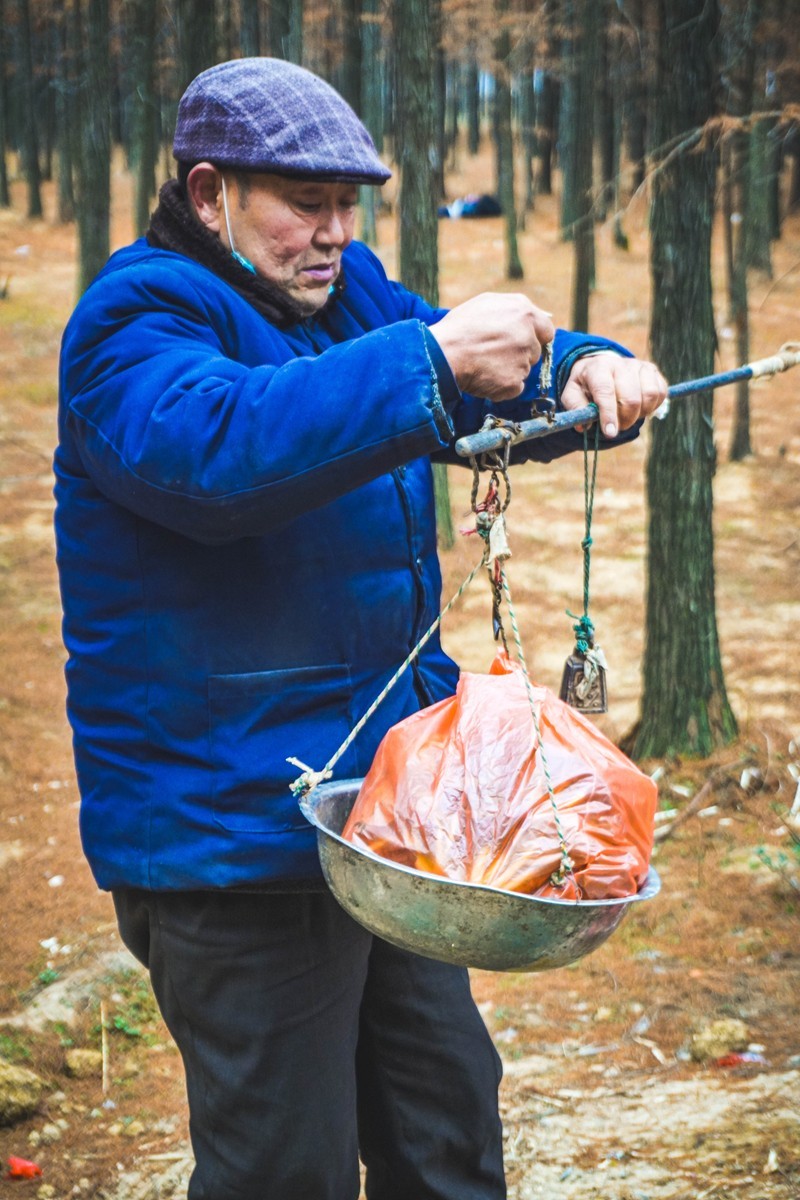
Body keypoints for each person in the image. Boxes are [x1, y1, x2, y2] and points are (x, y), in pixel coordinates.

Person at [54, 57, 666, 1200]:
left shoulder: (344, 295)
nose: (334, 234)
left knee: (445, 1133)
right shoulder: (131, 323)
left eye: (349, 206)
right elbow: (218, 455)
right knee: (282, 1170)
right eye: (305, 205)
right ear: (208, 194)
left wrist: (579, 367)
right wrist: (428, 362)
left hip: (392, 828)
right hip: (232, 839)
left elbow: (463, 371)